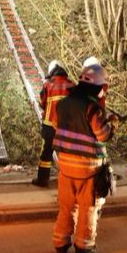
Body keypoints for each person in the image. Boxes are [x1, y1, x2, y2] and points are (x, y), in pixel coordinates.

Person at [52, 64, 119, 253]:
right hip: (89, 169)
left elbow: (58, 124)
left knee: (67, 206)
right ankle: (84, 245)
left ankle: (60, 242)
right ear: (99, 87)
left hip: (65, 165)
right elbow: (102, 135)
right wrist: (111, 124)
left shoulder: (62, 104)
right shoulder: (92, 108)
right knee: (88, 207)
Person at [32, 60, 75, 188]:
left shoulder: (48, 85)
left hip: (49, 125)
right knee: (67, 154)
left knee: (46, 154)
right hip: (67, 127)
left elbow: (43, 102)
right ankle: (69, 180)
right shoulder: (72, 85)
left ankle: (43, 180)